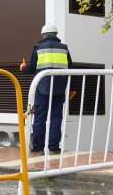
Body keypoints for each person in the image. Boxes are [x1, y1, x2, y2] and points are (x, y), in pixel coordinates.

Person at [19, 23, 74, 154]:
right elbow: (71, 69)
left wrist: (23, 67)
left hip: (42, 88)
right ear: (56, 35)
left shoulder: (38, 48)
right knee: (56, 118)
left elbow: (31, 69)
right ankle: (54, 148)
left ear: (43, 35)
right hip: (60, 88)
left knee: (39, 118)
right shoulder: (64, 48)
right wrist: (72, 88)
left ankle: (38, 148)